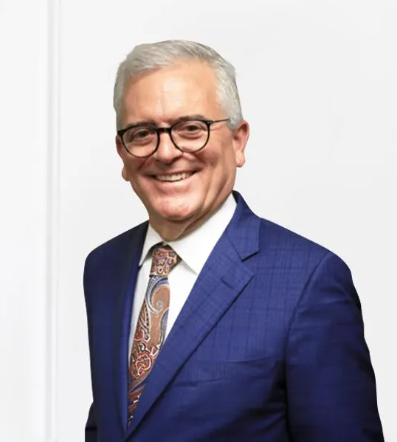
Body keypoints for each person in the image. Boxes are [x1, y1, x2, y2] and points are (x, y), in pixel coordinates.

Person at [83, 40, 383, 442]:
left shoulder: (309, 282)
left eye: (191, 129)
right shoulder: (104, 267)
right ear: (122, 152)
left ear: (238, 141)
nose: (166, 152)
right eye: (142, 133)